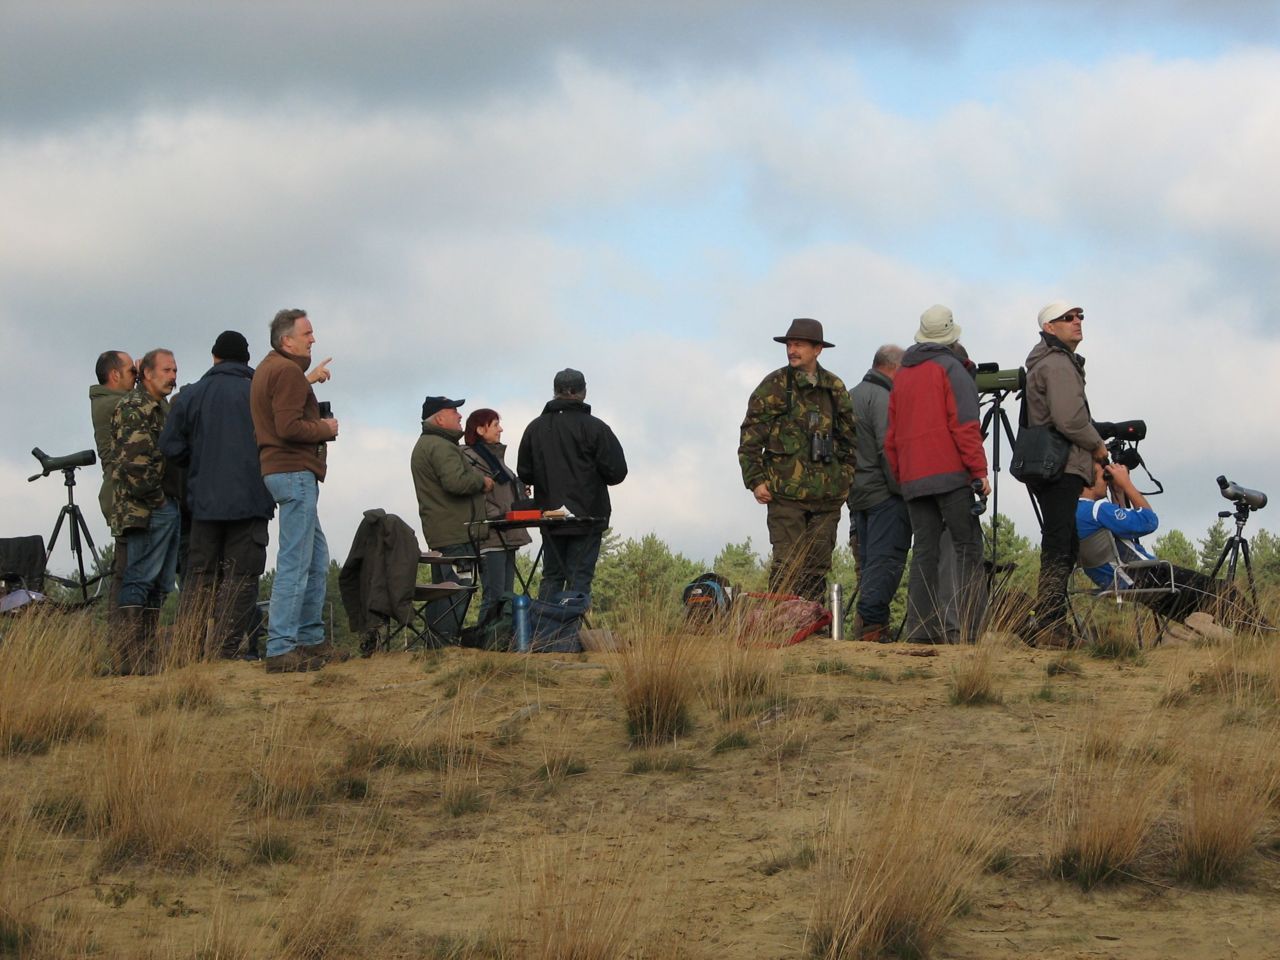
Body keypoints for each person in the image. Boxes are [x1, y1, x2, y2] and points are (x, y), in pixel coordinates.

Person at [159, 331, 275, 659]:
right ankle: (225, 652)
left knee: (199, 578)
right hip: (251, 502)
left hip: (204, 506)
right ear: (246, 360)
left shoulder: (190, 396)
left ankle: (188, 650)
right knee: (241, 578)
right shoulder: (260, 393)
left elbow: (168, 446)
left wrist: (198, 463)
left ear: (214, 358)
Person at [885, 306, 989, 643]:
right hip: (950, 475)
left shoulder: (902, 375)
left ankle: (919, 631)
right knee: (967, 548)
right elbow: (965, 427)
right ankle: (965, 632)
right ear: (952, 335)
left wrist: (903, 476)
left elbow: (890, 437)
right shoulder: (952, 369)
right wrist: (979, 471)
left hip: (914, 479)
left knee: (925, 553)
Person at [739, 318, 856, 603]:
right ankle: (781, 630)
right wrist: (755, 480)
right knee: (787, 565)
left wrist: (845, 479)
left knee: (816, 568)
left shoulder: (834, 387)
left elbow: (850, 439)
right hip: (785, 495)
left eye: (799, 345)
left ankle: (813, 630)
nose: (792, 350)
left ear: (818, 349)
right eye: (790, 344)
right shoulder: (774, 385)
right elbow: (751, 436)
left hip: (826, 497)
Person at [250, 308, 340, 673]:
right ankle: (282, 647)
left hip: (282, 472)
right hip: (294, 472)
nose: (313, 339)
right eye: (307, 333)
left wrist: (310, 378)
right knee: (296, 563)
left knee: (315, 560)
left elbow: (282, 402)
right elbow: (288, 425)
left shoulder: (273, 368)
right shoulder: (286, 372)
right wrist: (325, 428)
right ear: (287, 340)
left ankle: (309, 640)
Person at [1024, 301, 1107, 647]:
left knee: (1065, 539)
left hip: (1054, 463)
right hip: (1060, 464)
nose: (1077, 322)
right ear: (1049, 328)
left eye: (1080, 316)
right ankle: (1048, 623)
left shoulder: (1051, 361)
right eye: (1068, 318)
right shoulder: (1057, 364)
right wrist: (1098, 446)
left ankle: (1051, 620)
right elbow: (1070, 419)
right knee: (1060, 541)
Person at [1076, 462, 1240, 623]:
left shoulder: (1073, 513)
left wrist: (1117, 493)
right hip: (1146, 578)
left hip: (1117, 583)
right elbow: (1149, 521)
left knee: (1202, 608)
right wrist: (1127, 485)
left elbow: (1123, 531)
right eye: (1103, 476)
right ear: (1088, 481)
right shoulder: (1097, 509)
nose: (1107, 480)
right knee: (1223, 593)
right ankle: (1262, 634)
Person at [518, 368, 628, 601]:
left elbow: (525, 473)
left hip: (550, 516)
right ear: (583, 392)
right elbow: (617, 473)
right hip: (587, 516)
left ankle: (544, 633)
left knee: (552, 575)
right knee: (579, 578)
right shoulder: (596, 428)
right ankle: (568, 633)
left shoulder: (535, 428)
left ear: (555, 392)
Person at [109, 348, 181, 673]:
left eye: (175, 370)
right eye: (166, 370)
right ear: (147, 374)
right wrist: (159, 500)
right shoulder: (135, 407)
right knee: (139, 579)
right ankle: (133, 659)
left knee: (159, 584)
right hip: (144, 510)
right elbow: (135, 464)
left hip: (159, 506)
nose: (173, 376)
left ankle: (147, 659)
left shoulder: (159, 408)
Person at [411, 396, 493, 642]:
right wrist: (482, 481)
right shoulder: (441, 446)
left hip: (444, 530)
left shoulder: (429, 444)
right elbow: (455, 482)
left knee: (444, 590)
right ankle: (444, 643)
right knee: (456, 590)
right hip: (456, 532)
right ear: (439, 418)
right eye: (454, 411)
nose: (459, 416)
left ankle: (437, 644)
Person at [847, 344, 910, 642]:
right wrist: (904, 489)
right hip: (885, 494)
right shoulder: (884, 398)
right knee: (886, 560)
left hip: (857, 493)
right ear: (895, 368)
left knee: (871, 560)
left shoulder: (852, 395)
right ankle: (874, 626)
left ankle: (871, 624)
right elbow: (889, 450)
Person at [461, 408, 531, 626]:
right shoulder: (470, 459)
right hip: (491, 536)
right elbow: (477, 499)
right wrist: (500, 517)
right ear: (480, 429)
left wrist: (519, 491)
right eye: (495, 425)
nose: (501, 429)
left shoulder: (495, 459)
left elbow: (500, 492)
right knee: (494, 597)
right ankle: (486, 642)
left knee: (507, 597)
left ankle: (501, 641)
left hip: (506, 534)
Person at [89, 349, 137, 615]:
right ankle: (123, 638)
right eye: (132, 371)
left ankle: (123, 637)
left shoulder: (112, 400)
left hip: (122, 495)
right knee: (127, 572)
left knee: (126, 570)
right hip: (124, 498)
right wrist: (148, 381)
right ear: (115, 374)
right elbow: (150, 409)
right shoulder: (114, 404)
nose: (136, 376)